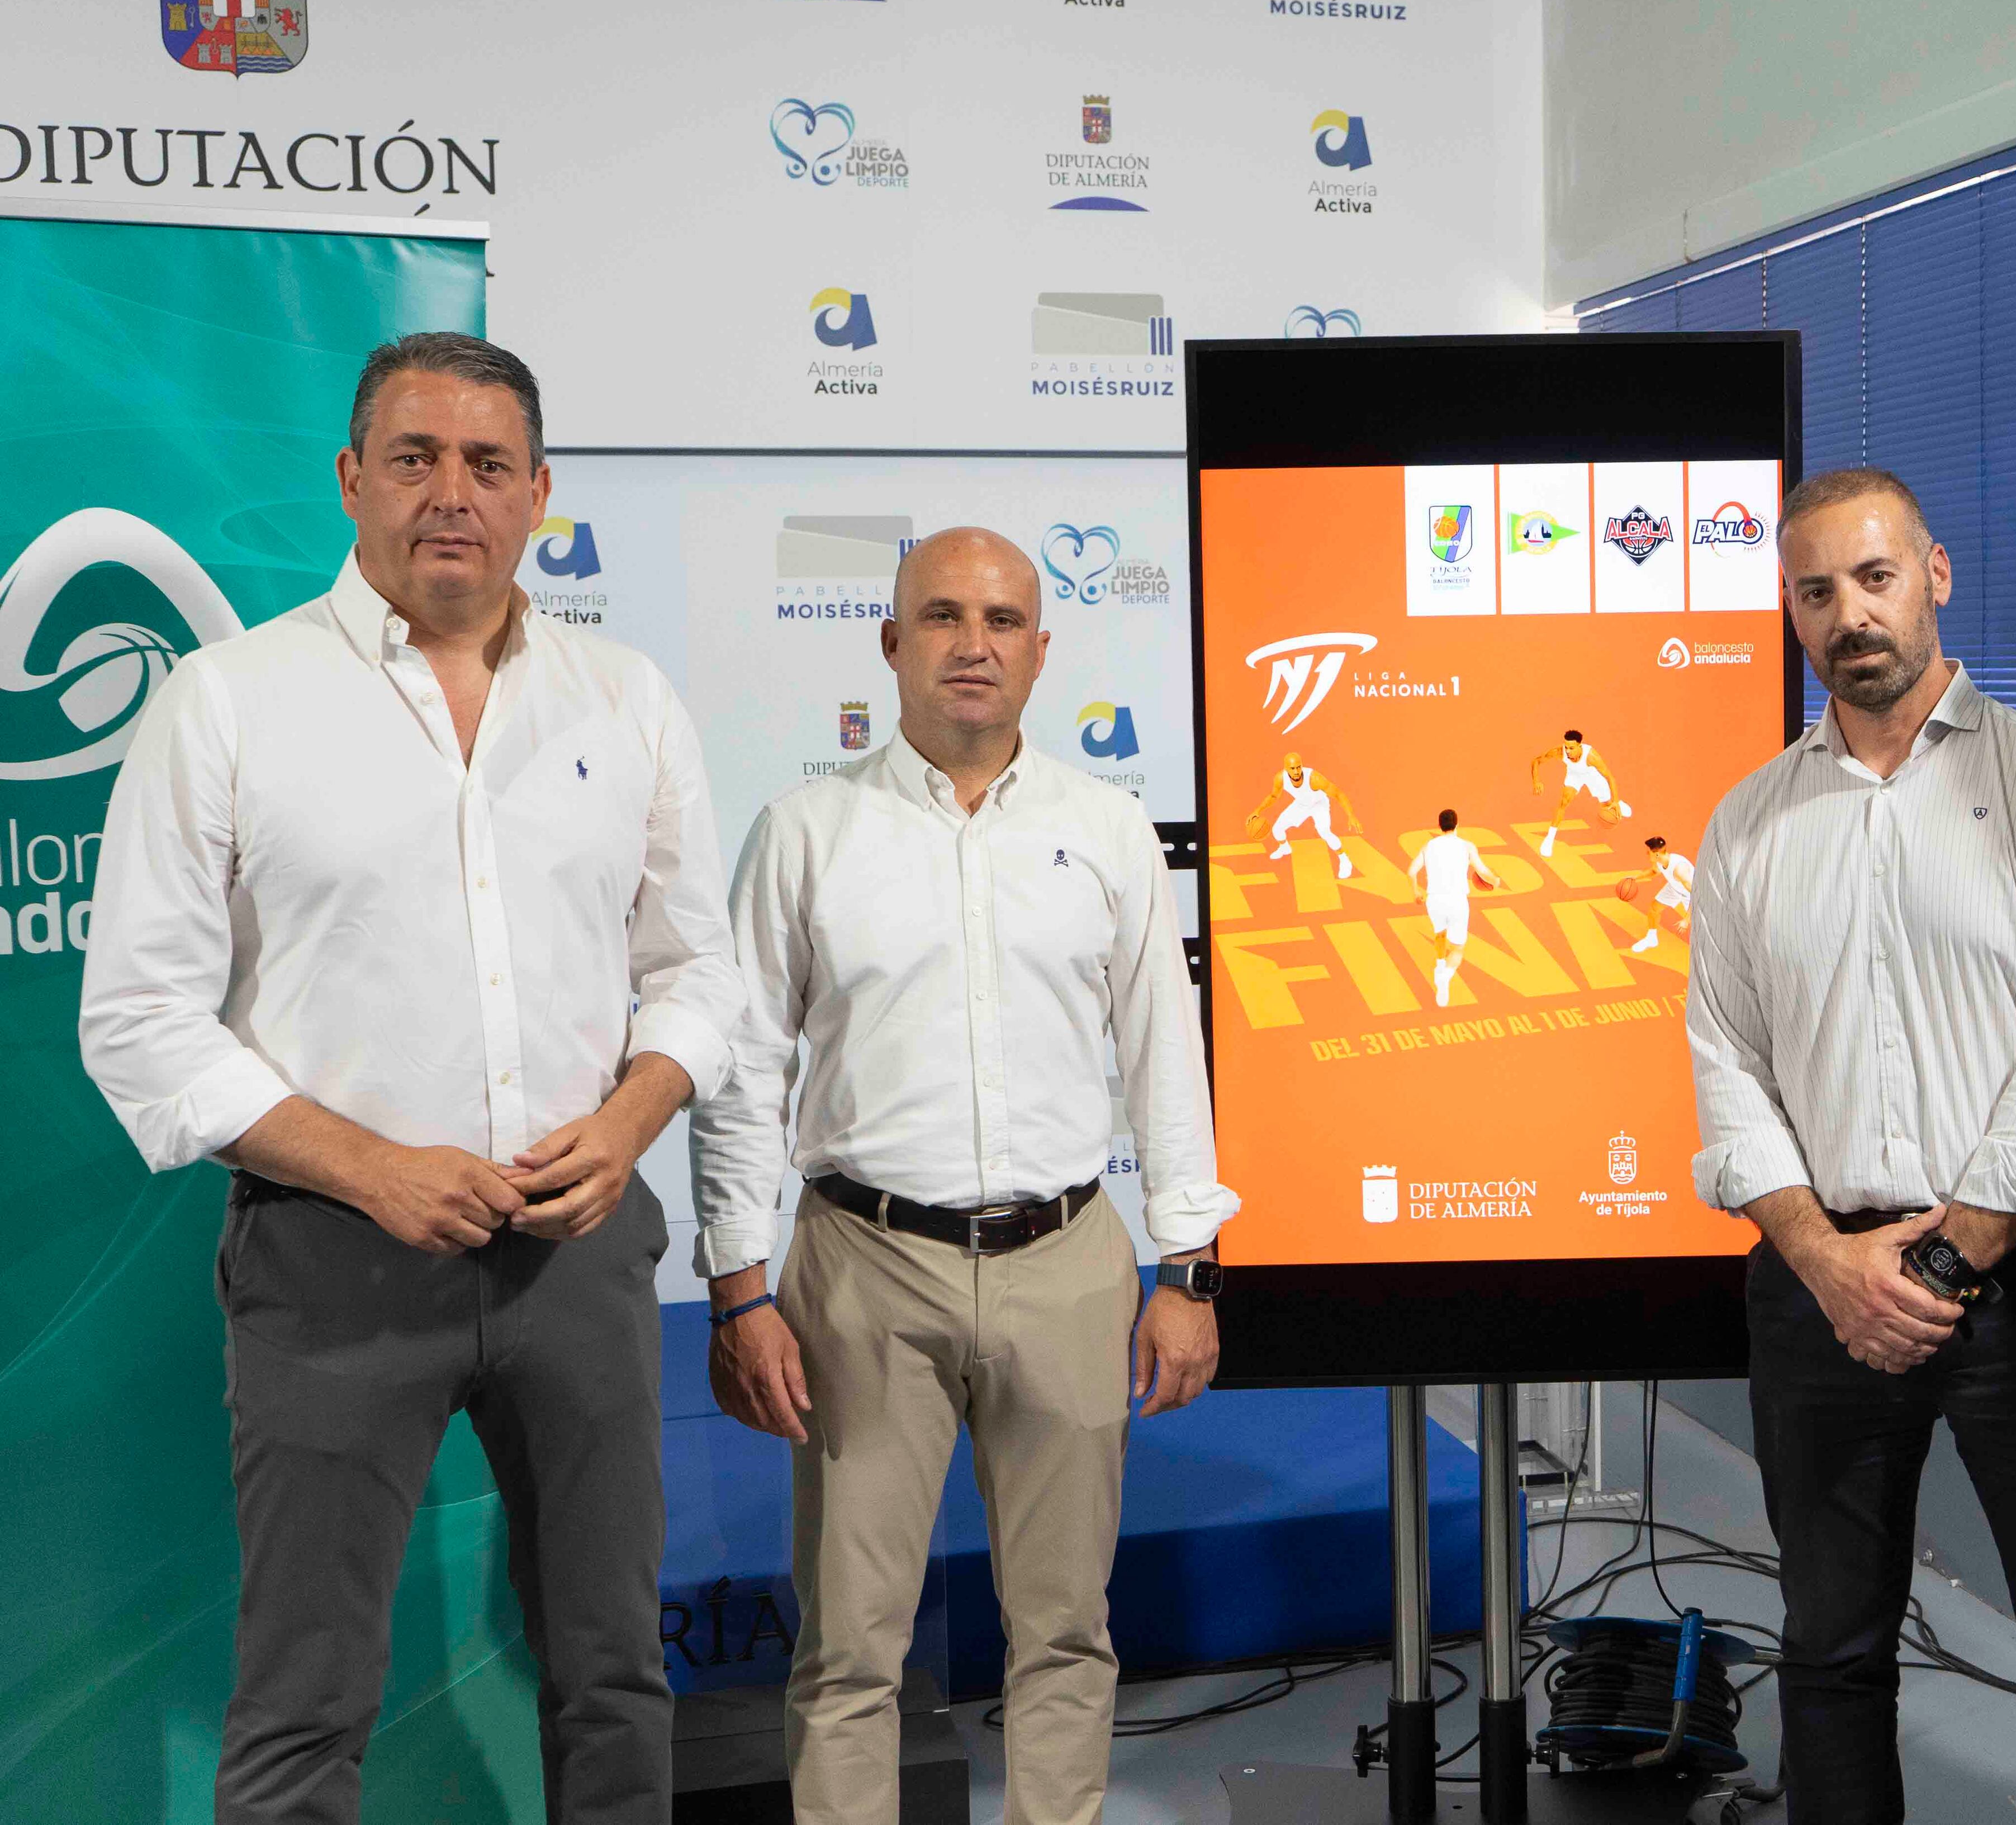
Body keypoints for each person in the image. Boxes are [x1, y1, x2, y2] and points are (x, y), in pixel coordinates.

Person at [78, 332, 743, 1825]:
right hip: (332, 1262)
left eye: (489, 464)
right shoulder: (229, 702)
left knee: (614, 1672)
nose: (454, 493)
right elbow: (139, 1019)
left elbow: (702, 974)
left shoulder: (624, 700)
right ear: (352, 481)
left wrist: (635, 1114)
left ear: (540, 495)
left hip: (580, 1254)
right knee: (303, 1697)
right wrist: (371, 1165)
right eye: (417, 458)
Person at [691, 527, 1235, 1825]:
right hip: (861, 1270)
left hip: (1069, 1263)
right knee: (848, 1648)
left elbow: (1168, 1053)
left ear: (1041, 652)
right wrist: (737, 1288)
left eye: (1000, 620)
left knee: (1063, 1630)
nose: (972, 644)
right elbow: (742, 1072)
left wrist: (1190, 1268)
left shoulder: (1105, 830)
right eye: (941, 616)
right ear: (892, 643)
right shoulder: (808, 832)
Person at [1685, 467, 2016, 1824]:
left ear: (1937, 574)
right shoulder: (1746, 823)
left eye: (1876, 576)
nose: (1851, 613)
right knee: (1830, 1653)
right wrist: (1828, 1263)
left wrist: (1943, 1265)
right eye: (1816, 589)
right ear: (1790, 609)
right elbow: (1725, 1063)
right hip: (1819, 1292)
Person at [1407, 807, 1502, 1007]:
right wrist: (1495, 881)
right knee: (1458, 950)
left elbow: (1411, 871)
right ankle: (1445, 976)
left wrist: (1416, 891)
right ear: (1457, 825)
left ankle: (1440, 964)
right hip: (1457, 901)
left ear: (1440, 827)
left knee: (1440, 933)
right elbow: (1482, 870)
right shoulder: (1467, 846)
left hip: (1434, 900)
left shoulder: (1428, 846)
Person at [1244, 749, 1360, 880]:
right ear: (1286, 769)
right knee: (1277, 829)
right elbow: (1273, 796)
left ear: (1302, 765)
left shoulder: (1314, 779)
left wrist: (1351, 815)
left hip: (1319, 804)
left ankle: (1344, 860)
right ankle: (1285, 848)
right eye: (1292, 768)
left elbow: (1338, 794)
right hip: (1301, 805)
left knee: (1324, 832)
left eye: (1299, 767)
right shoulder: (1280, 778)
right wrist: (1258, 811)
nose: (1296, 772)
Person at [1528, 728, 1633, 856]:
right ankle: (1549, 839)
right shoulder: (1559, 752)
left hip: (1591, 775)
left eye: (1571, 748)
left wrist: (1615, 801)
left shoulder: (1591, 757)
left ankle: (1619, 805)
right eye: (1566, 747)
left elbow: (1610, 777)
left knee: (1607, 805)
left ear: (1579, 746)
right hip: (1574, 774)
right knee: (1563, 803)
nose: (1568, 751)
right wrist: (1536, 781)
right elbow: (1537, 761)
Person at [1625, 833, 1692, 954]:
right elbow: (1654, 871)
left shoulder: (1680, 870)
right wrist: (1636, 878)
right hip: (1675, 888)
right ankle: (1652, 939)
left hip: (1691, 894)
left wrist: (1686, 921)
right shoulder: (1660, 860)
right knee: (1654, 909)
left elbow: (1697, 895)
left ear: (1656, 854)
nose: (1647, 854)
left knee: (1702, 927)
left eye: (1648, 852)